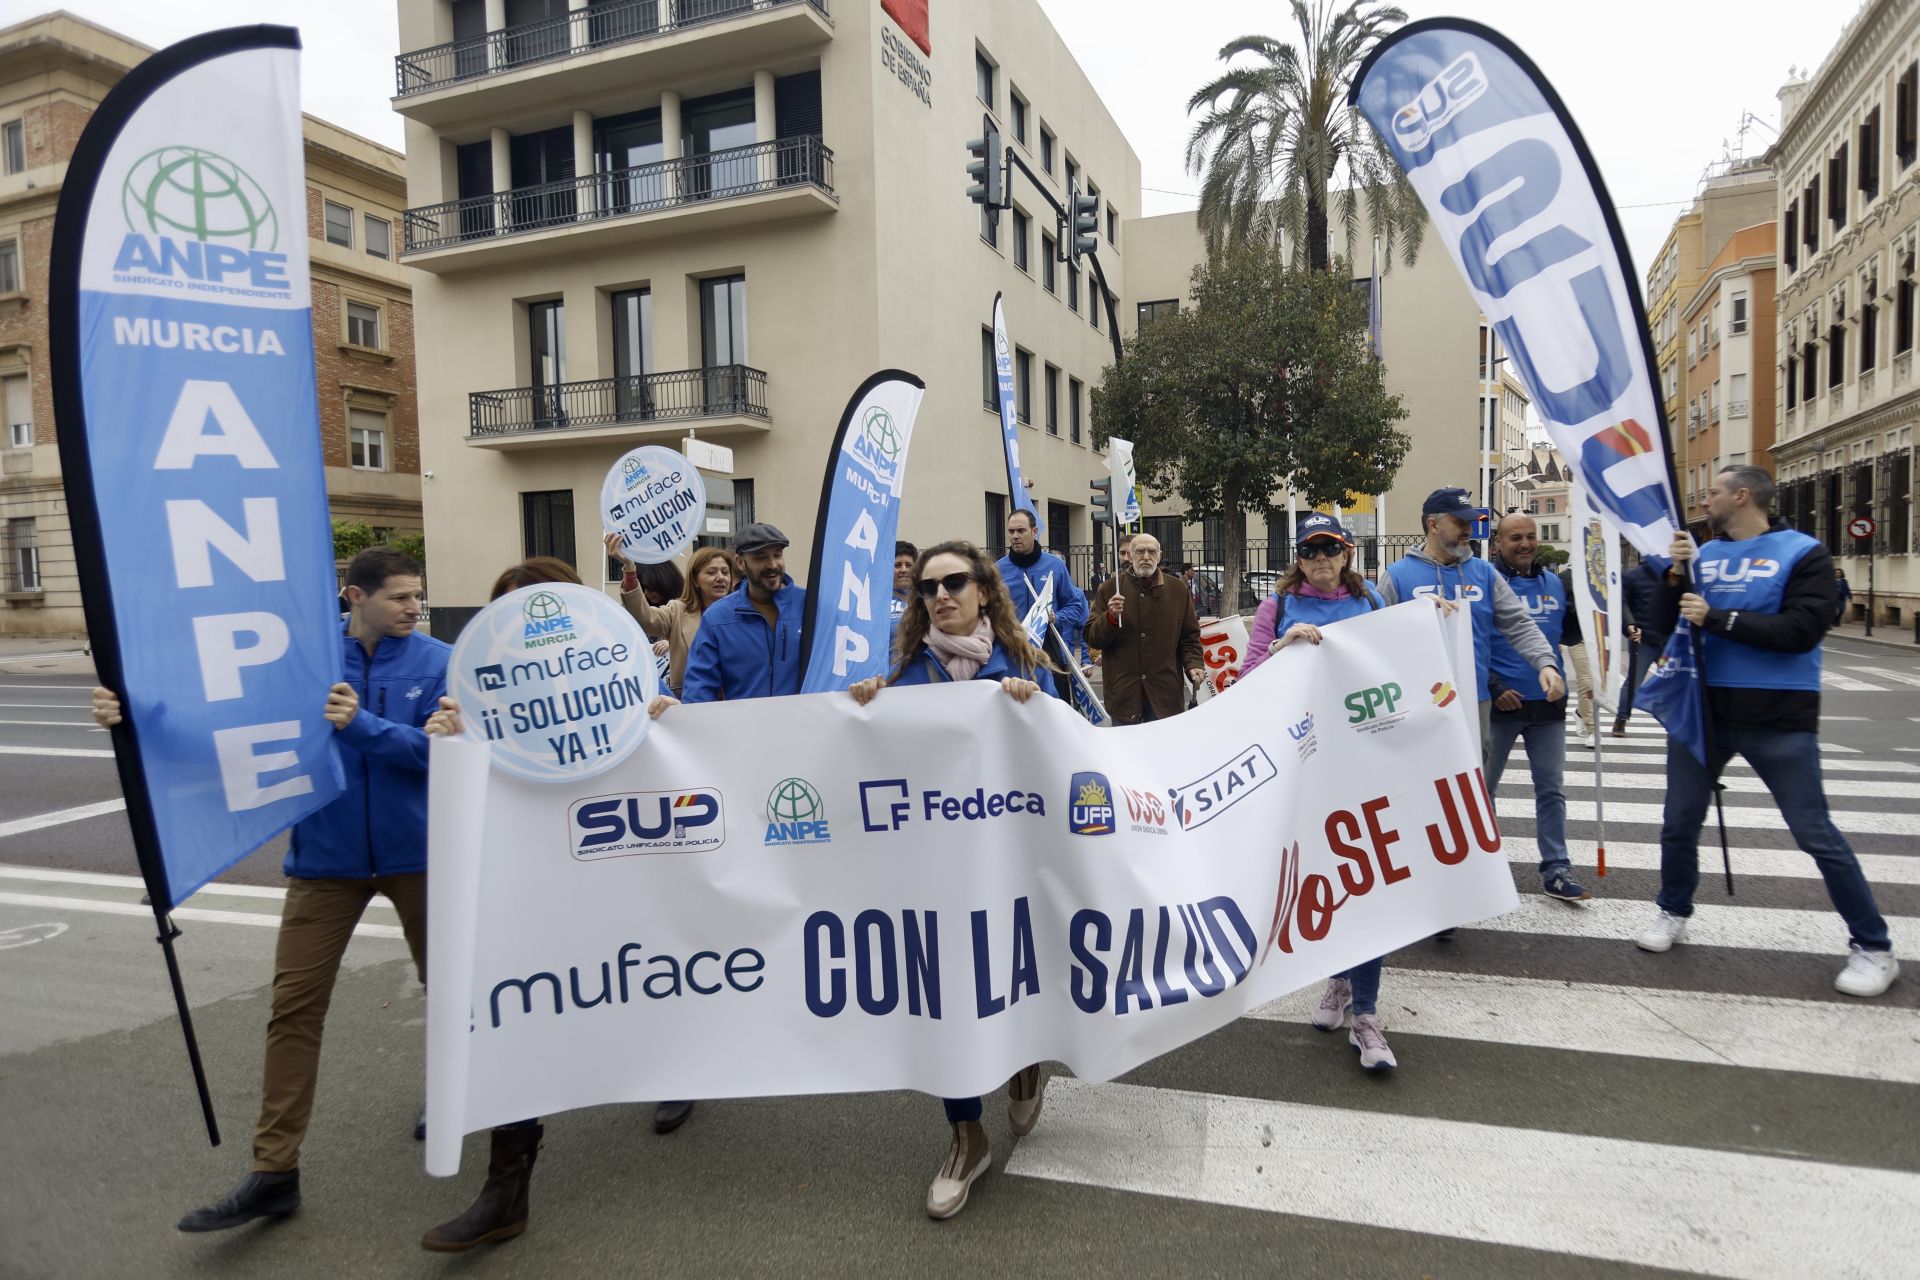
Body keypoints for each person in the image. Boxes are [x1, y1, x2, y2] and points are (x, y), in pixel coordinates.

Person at [90, 548, 447, 1234]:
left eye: (416, 596)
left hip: (421, 857)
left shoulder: (439, 659)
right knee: (293, 1009)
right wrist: (131, 713)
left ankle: (454, 1096)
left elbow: (441, 753)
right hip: (323, 862)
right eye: (400, 597)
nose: (412, 607)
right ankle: (274, 1170)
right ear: (354, 597)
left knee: (451, 991)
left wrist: (364, 727)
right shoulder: (302, 662)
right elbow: (225, 724)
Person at [848, 540, 1057, 1218]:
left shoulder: (1022, 662)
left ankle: (1025, 1060)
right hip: (937, 866)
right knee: (948, 992)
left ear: (984, 591)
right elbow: (864, 750)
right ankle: (966, 1138)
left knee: (1016, 971)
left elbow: (1065, 753)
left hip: (1015, 858)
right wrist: (868, 705)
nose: (941, 595)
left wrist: (1033, 709)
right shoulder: (904, 675)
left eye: (956, 582)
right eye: (928, 587)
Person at [1635, 466, 1898, 996]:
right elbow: (1665, 626)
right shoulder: (1704, 554)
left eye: (1712, 492)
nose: (1703, 500)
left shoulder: (1804, 553)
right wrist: (1673, 578)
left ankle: (1874, 946)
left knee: (1814, 834)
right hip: (1704, 712)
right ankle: (1672, 909)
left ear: (1742, 495)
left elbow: (1802, 631)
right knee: (1678, 822)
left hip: (1779, 716)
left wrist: (1720, 619)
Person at [1230, 518, 1405, 1070]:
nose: (1322, 559)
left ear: (1347, 555)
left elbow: (1401, 656)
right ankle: (1338, 978)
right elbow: (1248, 676)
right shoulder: (1275, 607)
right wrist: (1285, 645)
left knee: (1367, 880)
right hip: (1304, 765)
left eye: (1331, 549)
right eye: (1311, 551)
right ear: (1300, 559)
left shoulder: (1371, 598)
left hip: (1363, 758)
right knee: (1326, 880)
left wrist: (1437, 626)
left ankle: (1367, 1015)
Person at [1378, 487, 1564, 749]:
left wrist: (1546, 663)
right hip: (1417, 702)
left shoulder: (1484, 572)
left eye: (1470, 522)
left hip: (1474, 700)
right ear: (1433, 524)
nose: (1468, 530)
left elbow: (1518, 624)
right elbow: (1376, 636)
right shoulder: (1397, 575)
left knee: (1475, 785)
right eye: (1460, 522)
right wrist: (1411, 616)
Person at [1485, 513, 1592, 903]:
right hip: (1499, 706)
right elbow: (1474, 642)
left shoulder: (1554, 584)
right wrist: (1494, 687)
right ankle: (1484, 867)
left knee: (1551, 791)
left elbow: (1572, 632)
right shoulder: (1489, 583)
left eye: (1531, 536)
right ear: (1498, 543)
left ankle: (1557, 869)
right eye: (1516, 537)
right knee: (1483, 791)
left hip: (1547, 706)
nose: (1526, 543)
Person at [1083, 532, 1205, 724]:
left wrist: (1194, 664)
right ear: (1130, 556)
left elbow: (1189, 638)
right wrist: (1110, 617)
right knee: (1124, 754)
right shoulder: (1109, 589)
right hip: (1123, 694)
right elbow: (1092, 637)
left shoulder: (1178, 590)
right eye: (1140, 551)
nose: (1146, 557)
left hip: (1164, 696)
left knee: (1163, 753)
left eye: (1151, 552)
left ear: (1159, 555)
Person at [679, 523, 807, 702]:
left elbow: (837, 668)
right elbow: (699, 689)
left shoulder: (810, 606)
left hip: (804, 726)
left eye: (777, 555)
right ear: (740, 563)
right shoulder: (717, 618)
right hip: (742, 728)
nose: (772, 565)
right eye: (760, 557)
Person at [606, 535, 733, 698]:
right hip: (690, 704)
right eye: (711, 572)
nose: (720, 577)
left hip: (735, 704)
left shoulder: (743, 613)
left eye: (725, 572)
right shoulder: (678, 611)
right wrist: (630, 569)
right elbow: (645, 618)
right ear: (695, 580)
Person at [995, 509, 1088, 707]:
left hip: (1050, 649)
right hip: (1011, 648)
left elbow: (1075, 605)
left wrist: (1057, 617)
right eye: (1011, 531)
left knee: (1056, 709)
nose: (1015, 536)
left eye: (1021, 530)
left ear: (1034, 531)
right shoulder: (998, 569)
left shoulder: (1055, 565)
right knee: (1014, 708)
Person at [1611, 559, 1667, 736]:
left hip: (1668, 641)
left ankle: (1672, 725)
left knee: (1672, 682)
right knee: (1633, 682)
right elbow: (1623, 603)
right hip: (1643, 640)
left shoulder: (1672, 575)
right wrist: (1630, 624)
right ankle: (1621, 717)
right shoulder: (1632, 576)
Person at [891, 540, 917, 632]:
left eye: (908, 565)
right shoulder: (878, 600)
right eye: (897, 565)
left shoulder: (925, 597)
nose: (903, 570)